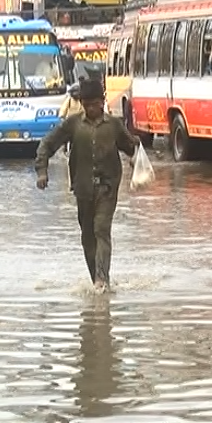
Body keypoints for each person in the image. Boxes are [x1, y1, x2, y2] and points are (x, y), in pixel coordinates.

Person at [35, 79, 140, 293]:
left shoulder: (114, 125)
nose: (93, 108)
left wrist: (137, 155)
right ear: (82, 104)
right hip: (83, 189)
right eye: (88, 104)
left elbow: (131, 147)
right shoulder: (73, 125)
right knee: (87, 236)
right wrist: (42, 171)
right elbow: (48, 143)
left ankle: (103, 280)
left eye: (97, 103)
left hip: (107, 188)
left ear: (103, 102)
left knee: (102, 228)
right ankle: (96, 279)